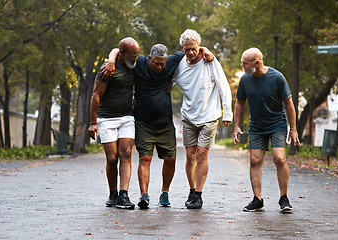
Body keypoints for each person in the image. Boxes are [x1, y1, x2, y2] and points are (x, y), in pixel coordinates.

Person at [102, 44, 214, 209]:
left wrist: (205, 50)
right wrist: (111, 60)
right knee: (145, 158)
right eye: (156, 63)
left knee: (170, 158)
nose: (160, 67)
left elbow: (190, 48)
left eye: (163, 64)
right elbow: (118, 49)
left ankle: (165, 192)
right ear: (149, 59)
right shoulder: (139, 62)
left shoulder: (171, 61)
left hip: (165, 123)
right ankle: (144, 195)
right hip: (143, 122)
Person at [233, 47, 300, 213]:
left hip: (277, 123)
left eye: (245, 63)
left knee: (279, 158)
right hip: (256, 125)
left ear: (256, 62)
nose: (242, 65)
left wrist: (294, 128)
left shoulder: (277, 77)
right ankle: (258, 200)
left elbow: (289, 103)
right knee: (255, 160)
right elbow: (240, 102)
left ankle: (284, 198)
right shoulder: (245, 80)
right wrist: (236, 125)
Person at [172, 29, 233, 209]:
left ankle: (198, 194)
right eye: (187, 49)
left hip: (209, 115)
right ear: (182, 48)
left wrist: (227, 113)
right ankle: (192, 190)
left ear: (199, 46)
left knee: (201, 154)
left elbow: (224, 87)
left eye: (194, 48)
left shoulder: (211, 62)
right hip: (188, 116)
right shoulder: (179, 65)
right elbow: (167, 82)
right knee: (190, 155)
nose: (190, 52)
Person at [87, 37, 140, 209]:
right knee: (112, 158)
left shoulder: (134, 65)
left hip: (126, 117)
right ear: (123, 53)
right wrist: (92, 122)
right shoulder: (107, 69)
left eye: (137, 55)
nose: (136, 58)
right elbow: (96, 95)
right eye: (133, 55)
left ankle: (123, 195)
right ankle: (112, 194)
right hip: (106, 119)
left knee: (126, 154)